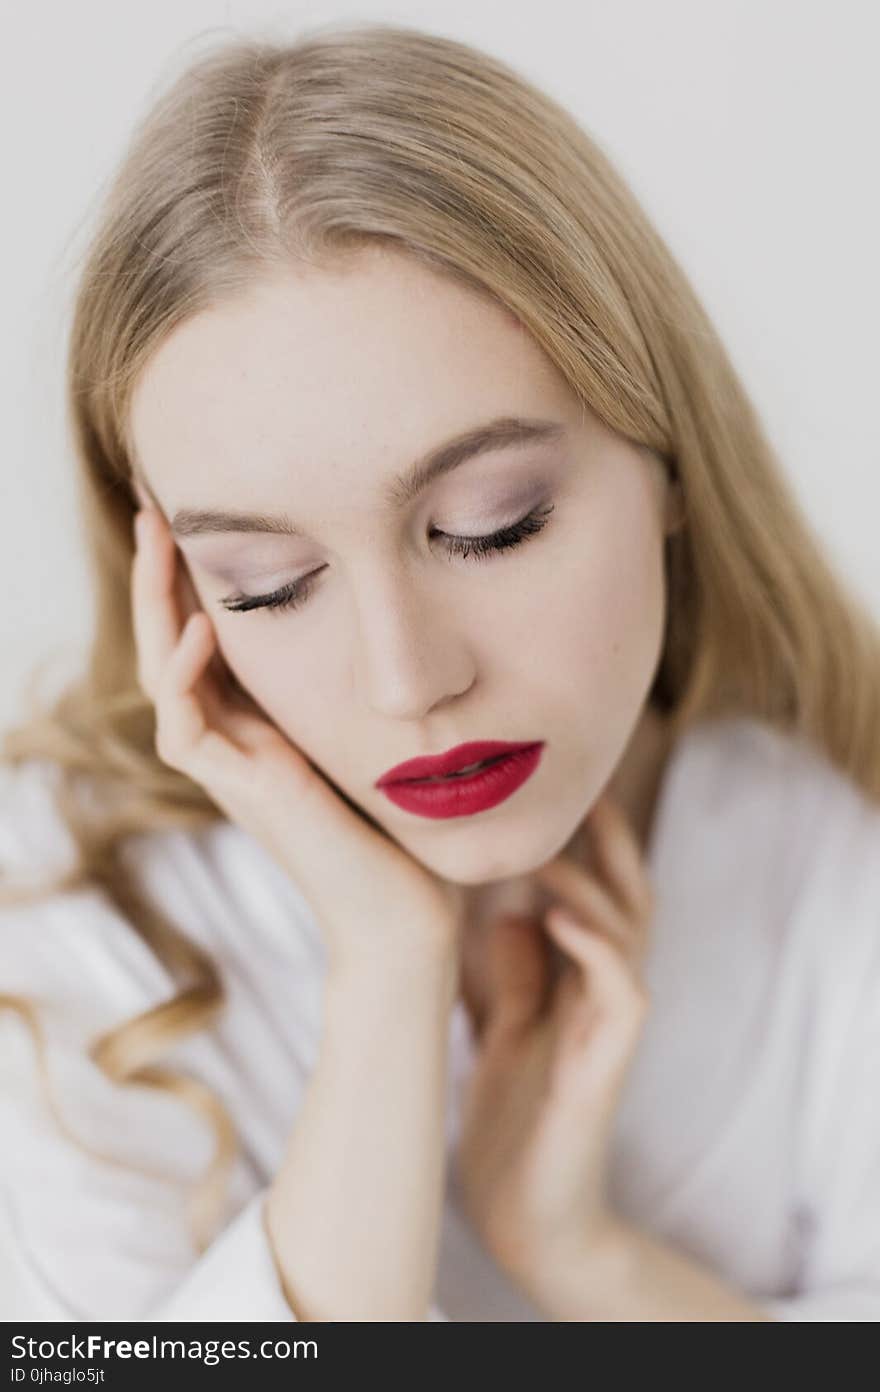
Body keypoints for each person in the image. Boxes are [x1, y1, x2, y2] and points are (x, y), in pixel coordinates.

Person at [2, 21, 879, 1323]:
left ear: (668, 460)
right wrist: (386, 974)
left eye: (491, 523)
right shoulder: (58, 918)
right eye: (268, 584)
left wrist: (580, 1251)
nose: (408, 681)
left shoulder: (831, 850)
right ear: (177, 584)